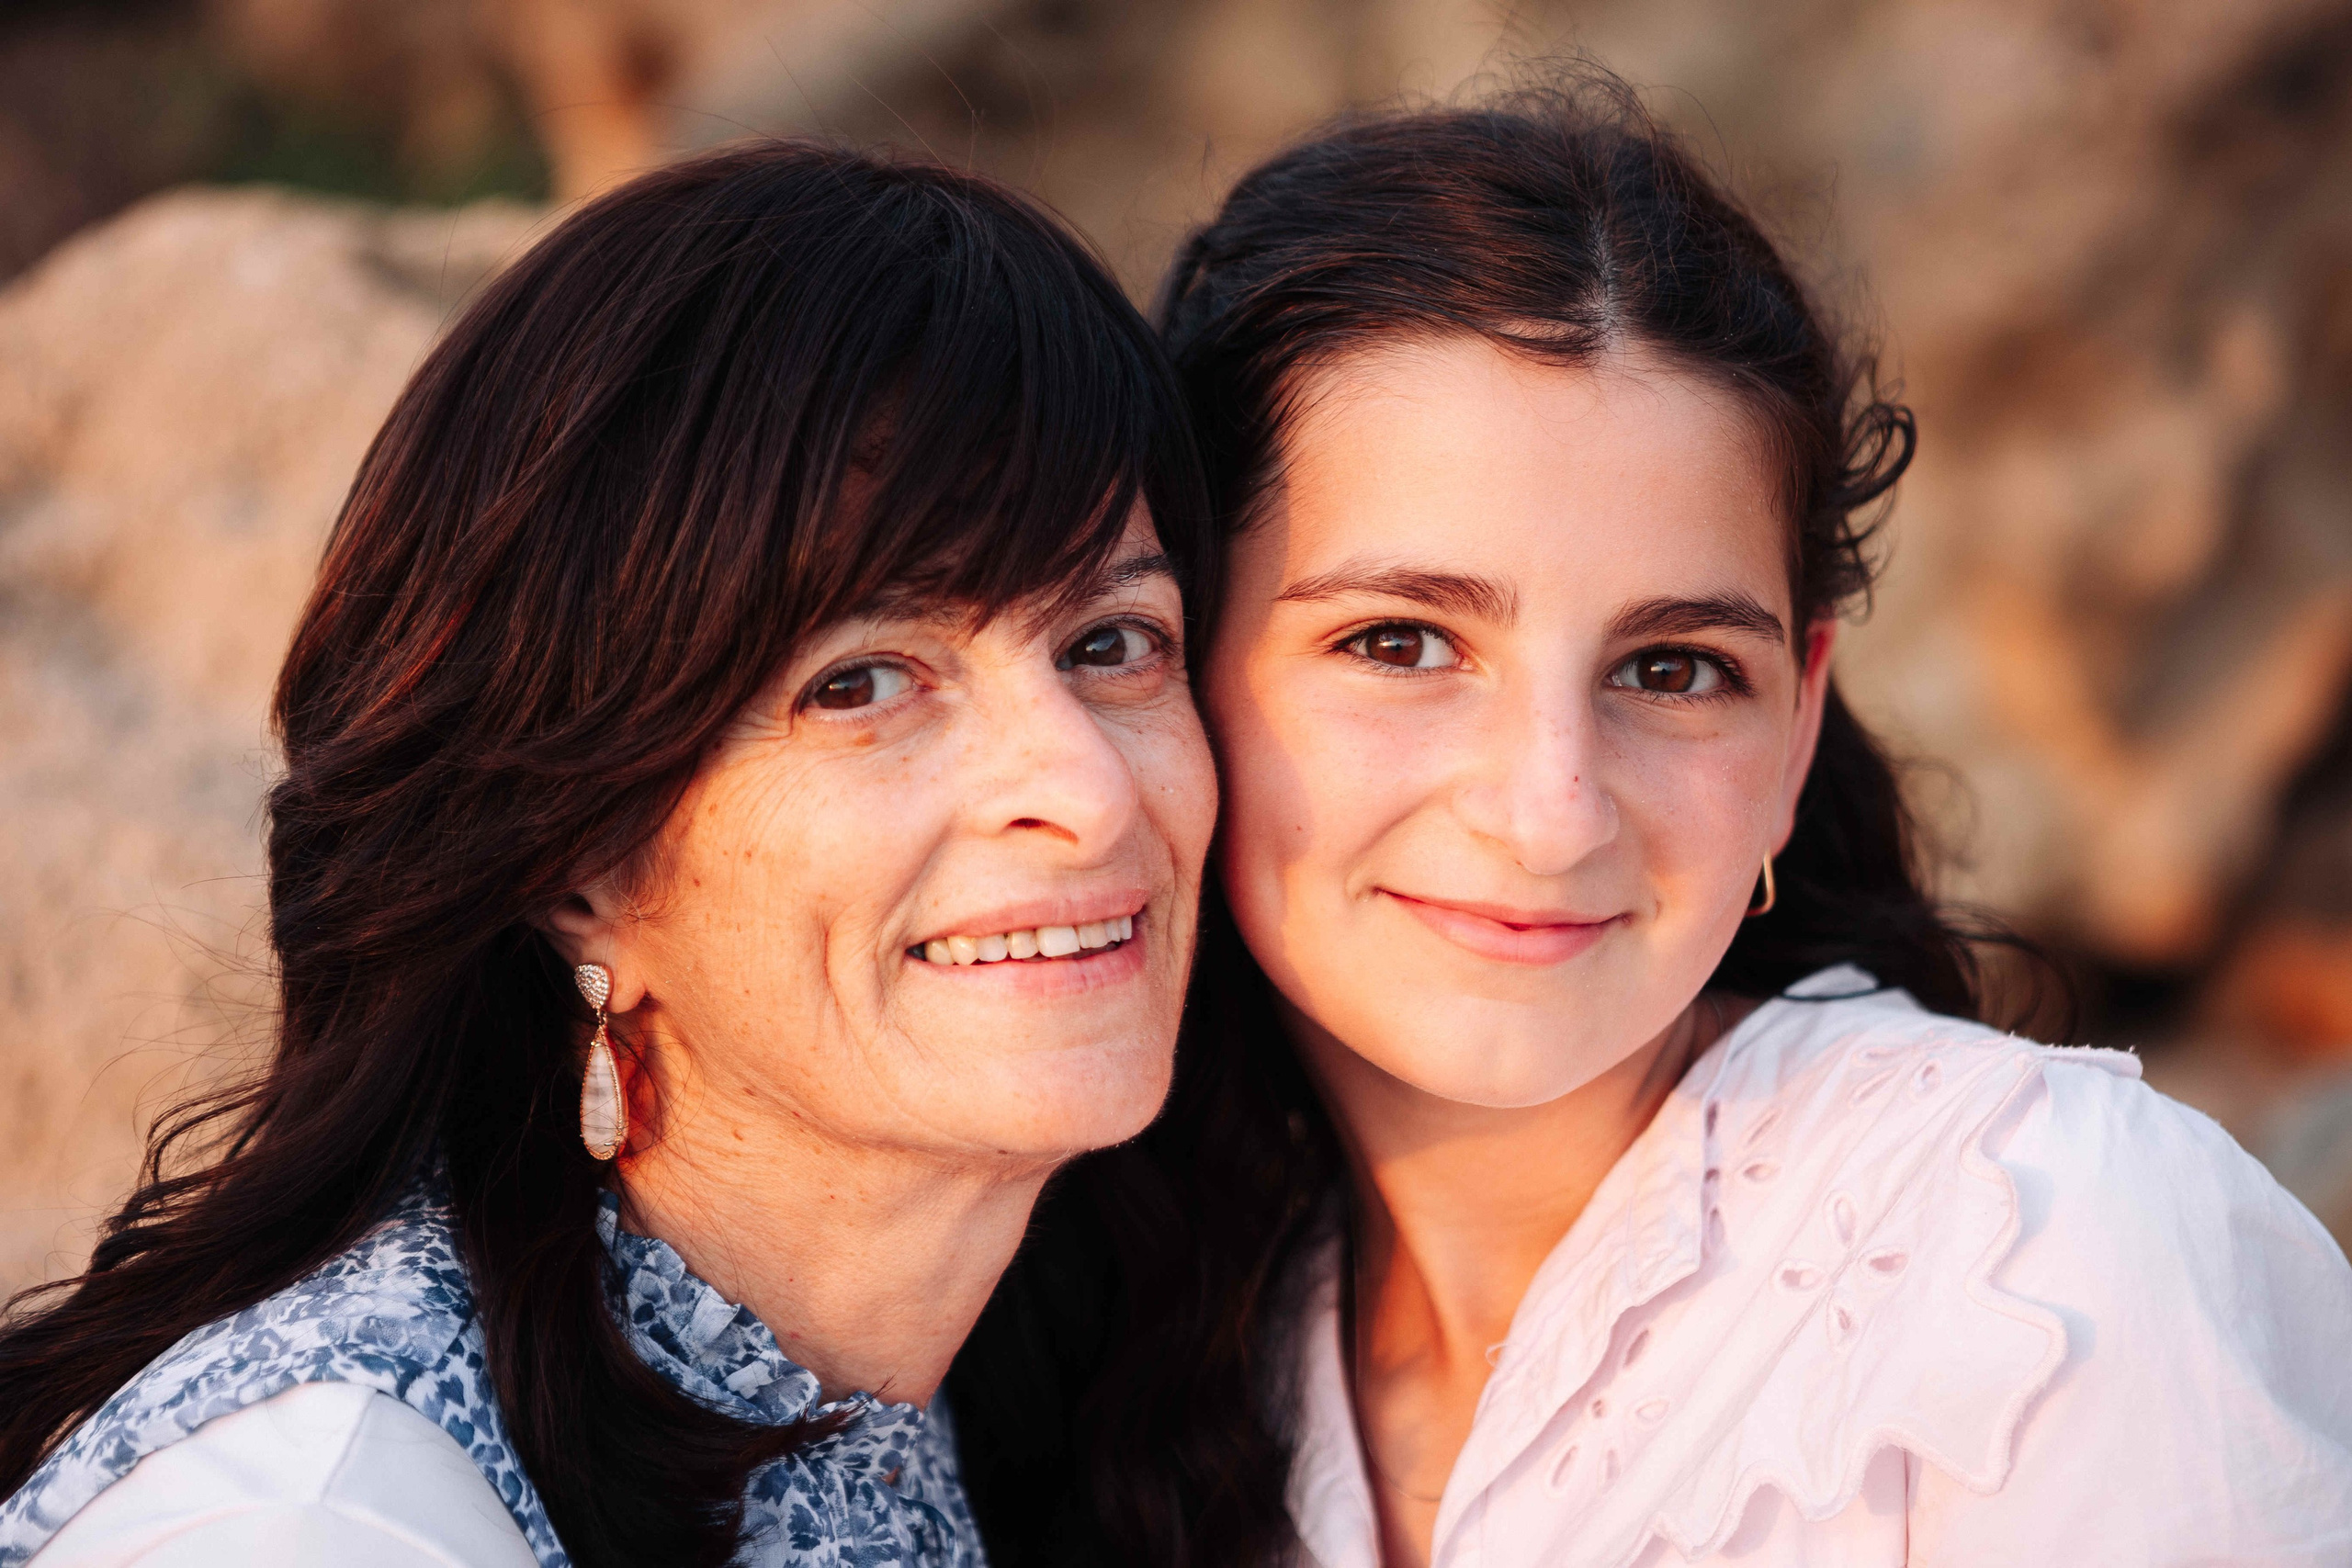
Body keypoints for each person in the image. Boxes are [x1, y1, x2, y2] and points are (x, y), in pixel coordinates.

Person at [948, 80, 2352, 1568]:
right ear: (1170, 662)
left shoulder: (2047, 1248)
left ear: (1800, 722)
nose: (1550, 811)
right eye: (1403, 643)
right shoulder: (1158, 1353)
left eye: (1673, 670)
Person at [0, 140, 1216, 1568]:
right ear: (580, 858)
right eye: (863, 680)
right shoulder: (325, 1519)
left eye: (1110, 644)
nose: (1082, 785)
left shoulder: (960, 1393)